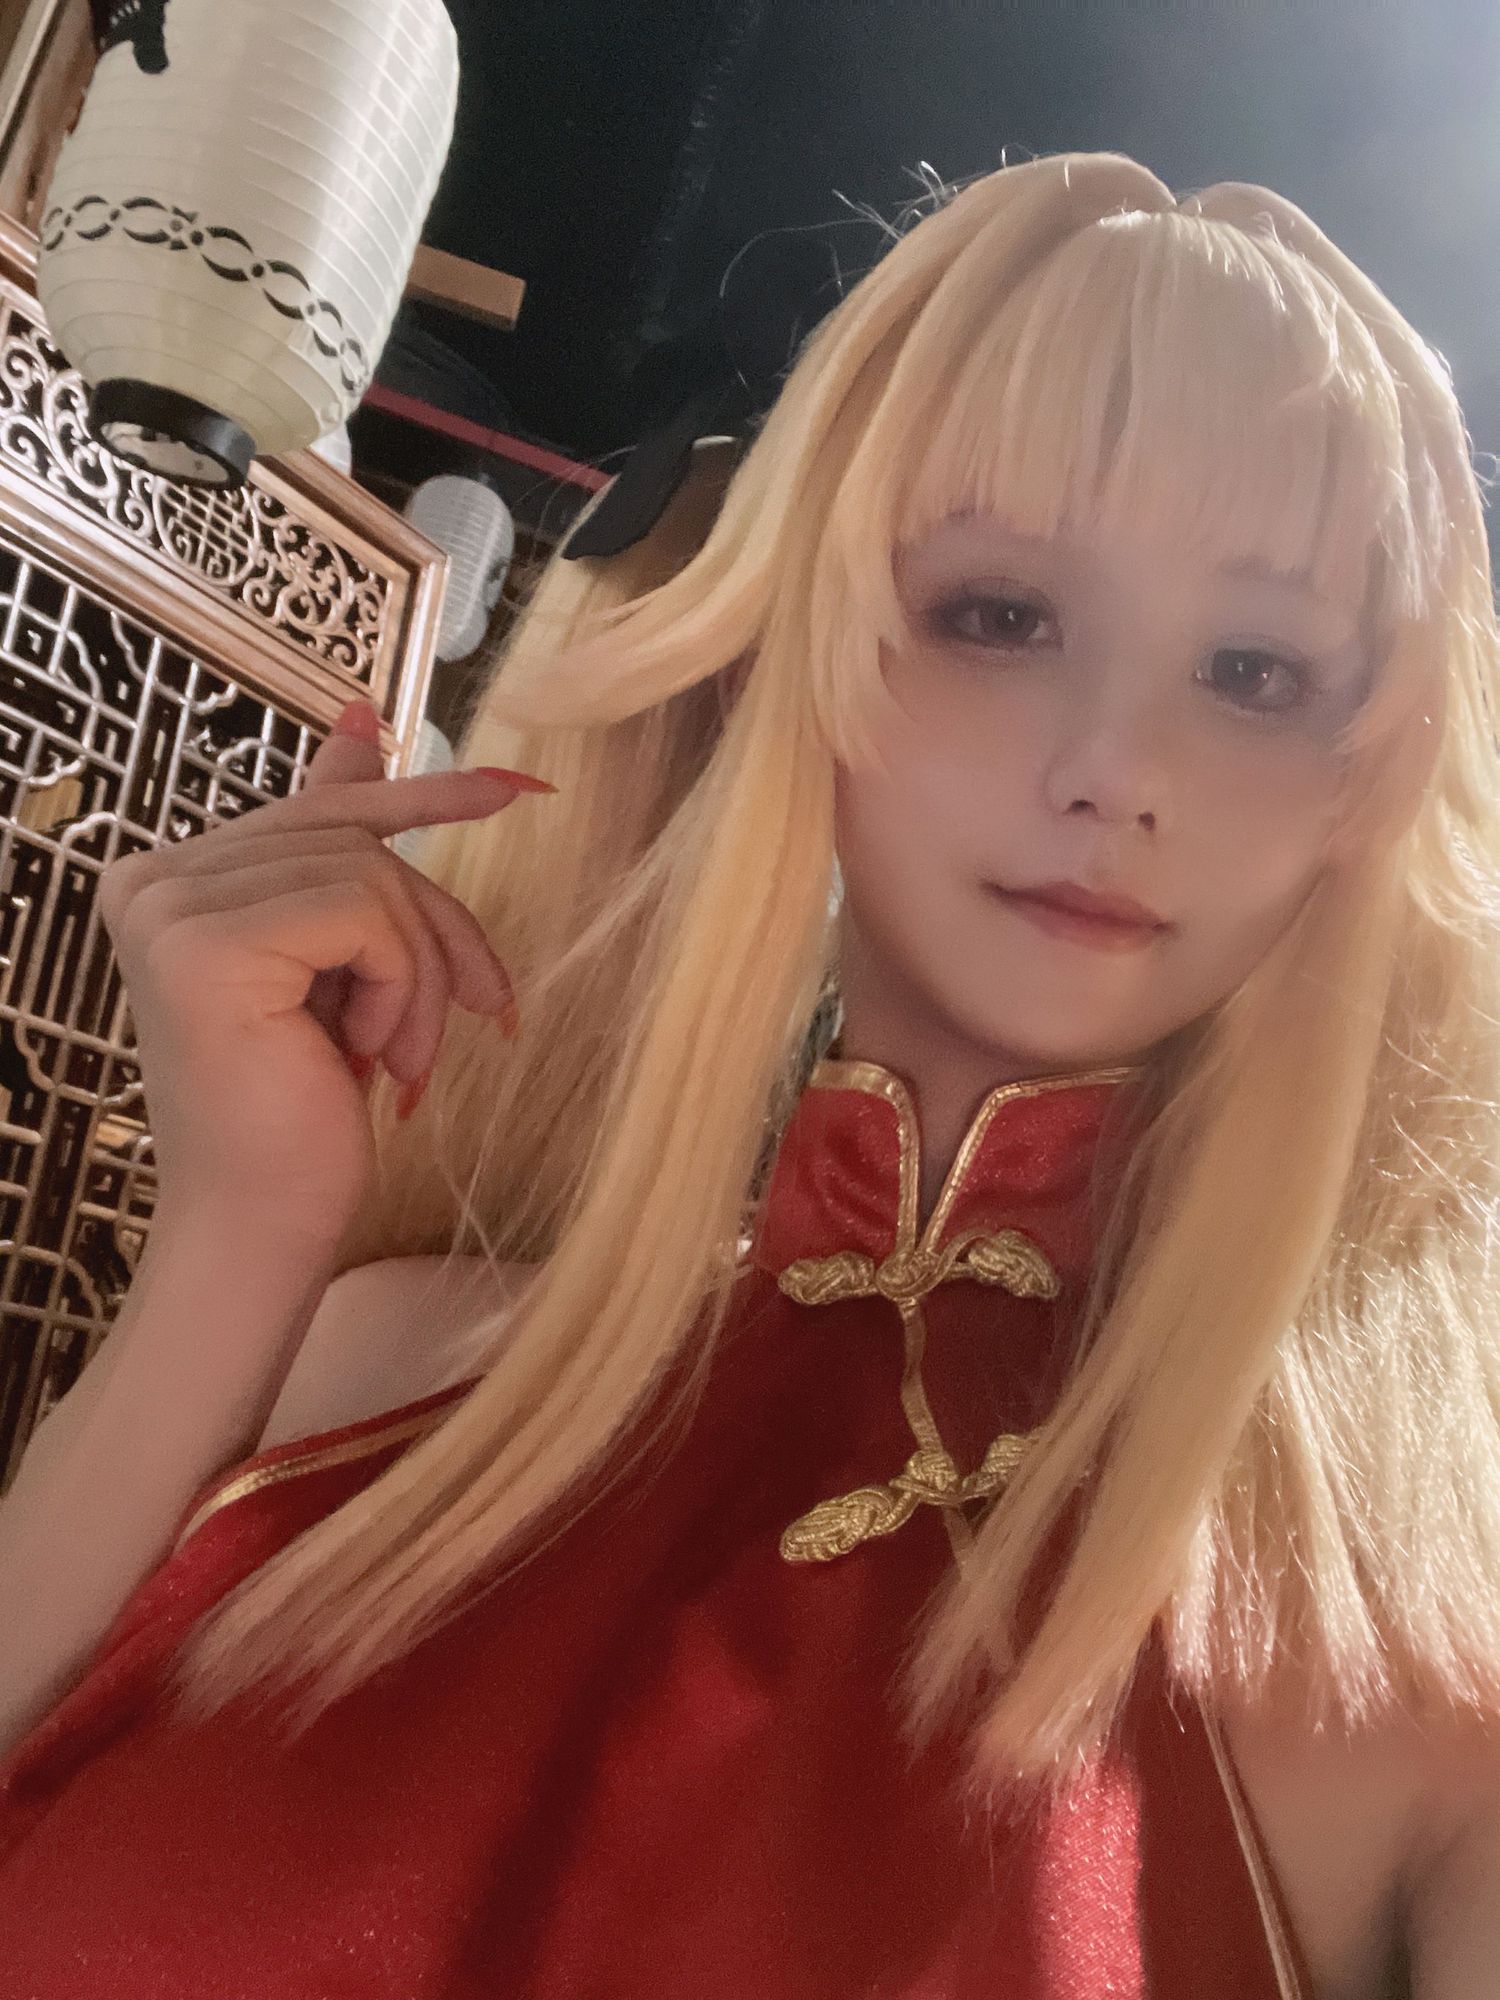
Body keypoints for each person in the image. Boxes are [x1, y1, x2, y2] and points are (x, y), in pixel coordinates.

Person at [0, 147, 1497, 1998]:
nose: (1118, 768)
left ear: (1371, 784)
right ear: (799, 650)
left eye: (1257, 672)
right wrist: (241, 1227)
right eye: (1001, 614)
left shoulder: (1413, 1649)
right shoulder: (376, 1369)